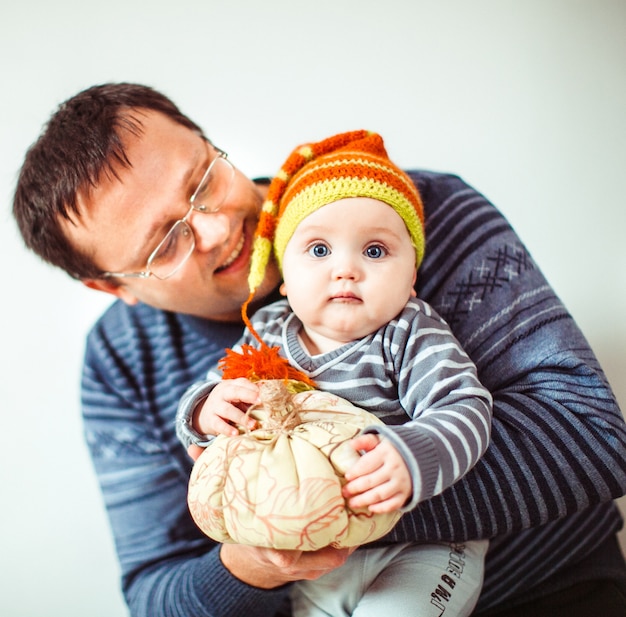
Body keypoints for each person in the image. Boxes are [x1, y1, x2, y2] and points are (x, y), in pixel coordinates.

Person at [11, 82, 626, 617]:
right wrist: (249, 564)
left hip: (543, 594)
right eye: (165, 242)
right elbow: (157, 593)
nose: (219, 229)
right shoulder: (121, 362)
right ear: (111, 286)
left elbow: (592, 436)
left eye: (204, 178)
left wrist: (305, 508)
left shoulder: (404, 220)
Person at [176, 130, 493, 616]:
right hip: (315, 557)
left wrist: (415, 458)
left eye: (374, 251)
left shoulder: (409, 334)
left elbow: (464, 408)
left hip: (424, 548)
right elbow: (215, 387)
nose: (345, 269)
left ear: (410, 278)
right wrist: (204, 408)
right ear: (283, 278)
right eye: (320, 251)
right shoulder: (266, 331)